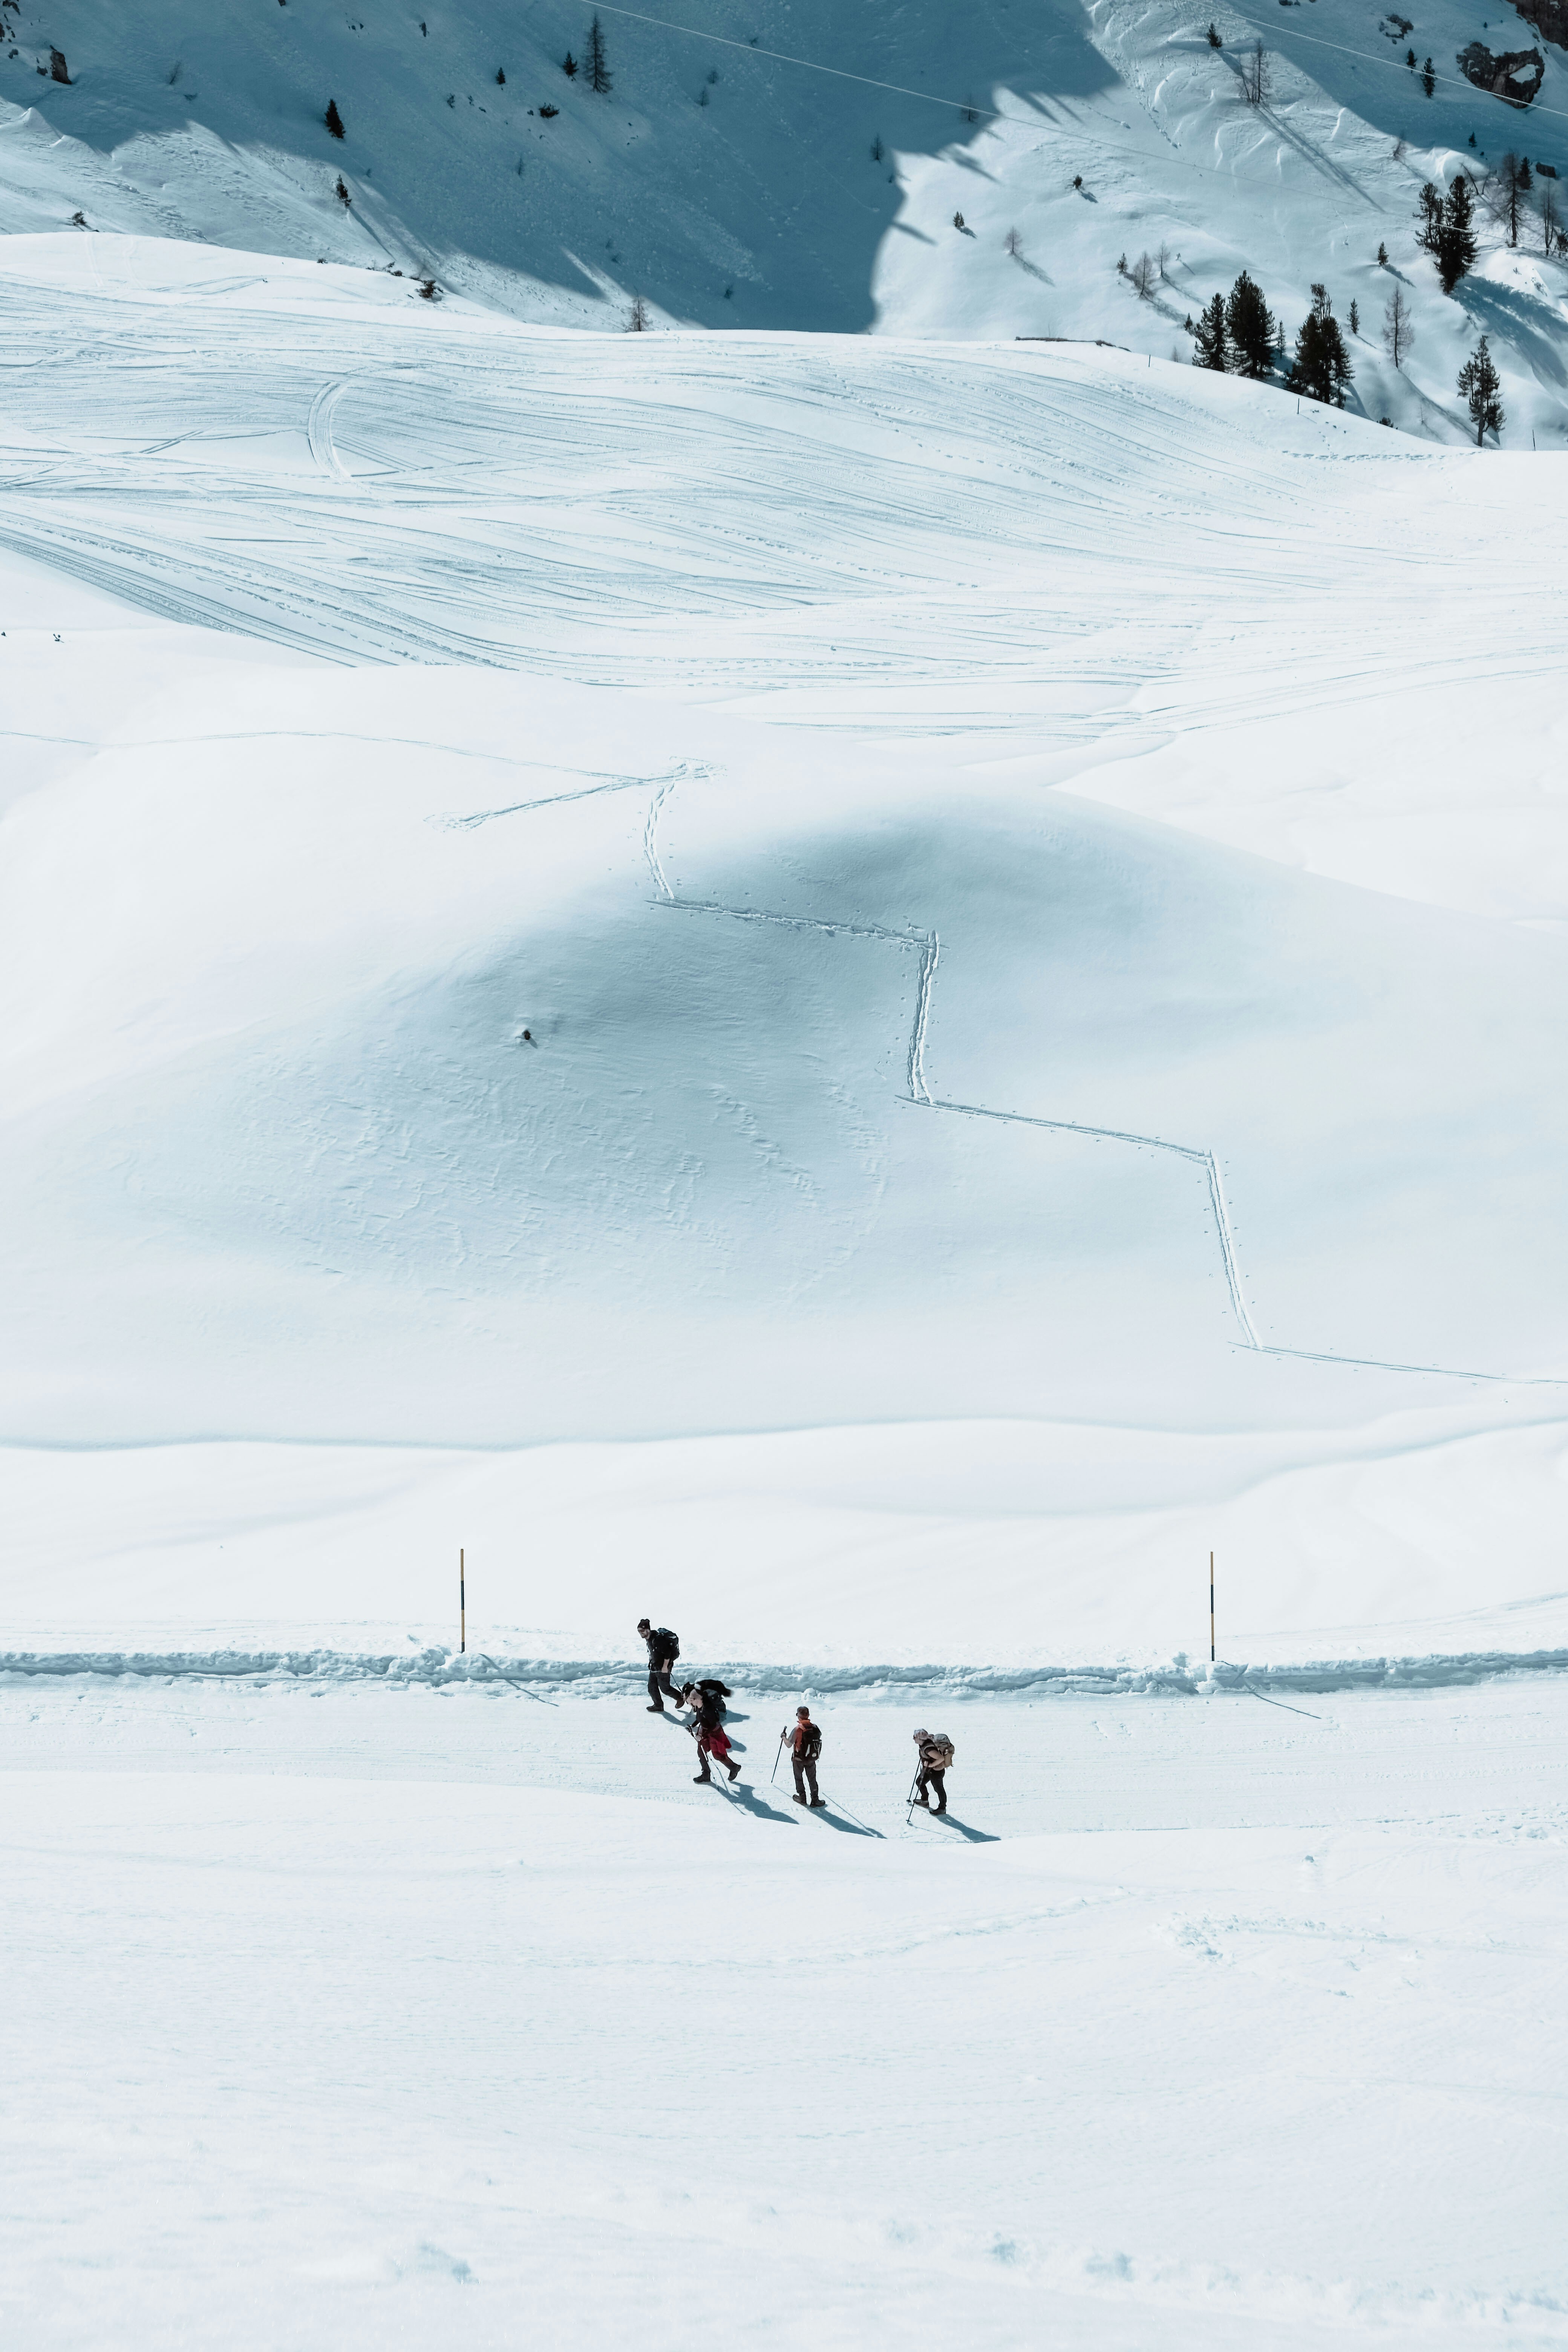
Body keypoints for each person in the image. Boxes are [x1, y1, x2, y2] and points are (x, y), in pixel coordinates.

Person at [691, 1684, 741, 1784]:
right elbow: (699, 1719)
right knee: (701, 1752)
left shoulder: (708, 1709)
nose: (690, 1701)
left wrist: (702, 1735)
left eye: (692, 1699)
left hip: (715, 1733)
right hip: (705, 1731)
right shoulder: (699, 1707)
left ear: (698, 1699)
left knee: (718, 1755)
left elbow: (713, 1725)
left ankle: (734, 1768)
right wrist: (691, 1726)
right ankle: (706, 1774)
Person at [637, 1618, 680, 1712]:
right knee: (652, 1688)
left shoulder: (658, 1639)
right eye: (639, 1631)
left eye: (642, 1631)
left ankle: (680, 1698)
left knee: (665, 1689)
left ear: (648, 1630)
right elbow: (654, 1651)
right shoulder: (649, 1639)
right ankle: (659, 1705)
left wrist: (665, 1667)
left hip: (663, 1668)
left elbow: (668, 1653)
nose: (641, 1633)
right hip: (655, 1667)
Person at [787, 1706, 825, 1807]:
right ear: (808, 1716)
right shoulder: (815, 1727)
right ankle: (815, 1800)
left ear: (799, 1716)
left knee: (799, 1778)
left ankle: (802, 1798)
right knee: (812, 1779)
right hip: (811, 1759)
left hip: (798, 1759)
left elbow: (789, 1744)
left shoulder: (798, 1729)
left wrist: (783, 1737)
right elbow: (819, 1736)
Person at [912, 1728, 954, 1815]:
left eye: (915, 1737)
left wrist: (930, 1765)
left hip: (936, 1772)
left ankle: (942, 1808)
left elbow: (941, 1758)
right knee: (920, 1782)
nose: (913, 1739)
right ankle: (925, 1801)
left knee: (939, 1789)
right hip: (928, 1770)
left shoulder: (929, 1749)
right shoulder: (925, 1743)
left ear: (920, 1739)